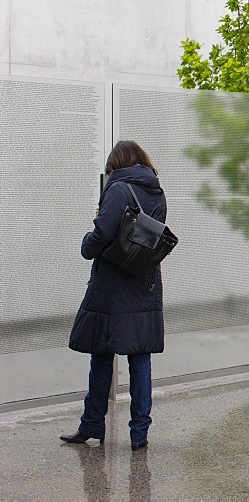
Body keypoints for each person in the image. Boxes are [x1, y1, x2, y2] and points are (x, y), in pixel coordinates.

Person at [60, 140, 167, 451]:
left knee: (101, 354)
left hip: (113, 285)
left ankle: (92, 425)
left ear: (116, 165)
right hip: (144, 281)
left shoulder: (118, 189)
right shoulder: (156, 190)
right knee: (140, 357)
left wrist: (86, 244)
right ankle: (139, 433)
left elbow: (102, 233)